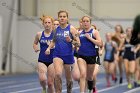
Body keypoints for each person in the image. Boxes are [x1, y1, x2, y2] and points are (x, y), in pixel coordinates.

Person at [46, 10, 80, 93]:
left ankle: (69, 90)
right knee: (57, 74)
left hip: (68, 56)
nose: (62, 18)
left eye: (64, 16)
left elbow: (79, 44)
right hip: (57, 55)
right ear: (58, 18)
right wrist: (48, 48)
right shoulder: (55, 29)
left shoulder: (72, 29)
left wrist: (71, 40)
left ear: (67, 18)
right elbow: (54, 41)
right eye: (60, 16)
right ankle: (58, 91)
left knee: (69, 79)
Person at [77, 16, 102, 93]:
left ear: (90, 22)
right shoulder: (79, 32)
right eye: (84, 21)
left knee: (90, 77)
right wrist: (72, 41)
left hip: (92, 56)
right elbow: (77, 44)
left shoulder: (94, 32)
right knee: (82, 75)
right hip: (81, 56)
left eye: (87, 21)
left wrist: (90, 38)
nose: (85, 23)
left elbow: (100, 43)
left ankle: (90, 88)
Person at [33, 15, 55, 93]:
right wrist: (35, 48)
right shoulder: (39, 34)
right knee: (42, 79)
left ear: (52, 24)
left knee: (50, 83)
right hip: (42, 59)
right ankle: (44, 89)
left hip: (53, 60)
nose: (47, 24)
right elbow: (35, 43)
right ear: (43, 24)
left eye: (49, 22)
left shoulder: (55, 34)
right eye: (45, 22)